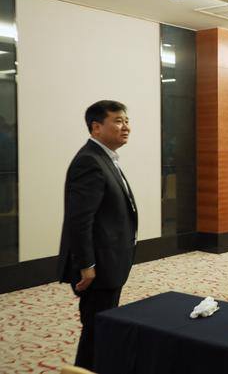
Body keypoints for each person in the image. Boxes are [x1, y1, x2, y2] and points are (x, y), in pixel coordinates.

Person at [57, 100, 138, 370]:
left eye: (127, 120)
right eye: (118, 121)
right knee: (96, 329)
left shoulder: (105, 158)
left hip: (109, 262)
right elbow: (80, 220)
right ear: (96, 127)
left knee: (103, 327)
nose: (126, 127)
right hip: (98, 267)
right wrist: (86, 265)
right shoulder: (89, 161)